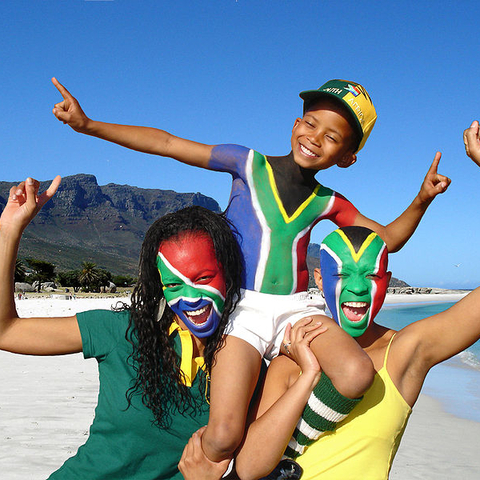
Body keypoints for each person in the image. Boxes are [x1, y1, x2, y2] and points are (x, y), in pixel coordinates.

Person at [51, 77, 451, 463]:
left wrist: (422, 198)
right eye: (311, 123)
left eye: (332, 137)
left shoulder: (329, 201)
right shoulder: (247, 164)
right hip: (242, 314)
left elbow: (384, 240)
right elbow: (169, 144)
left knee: (355, 373)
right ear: (296, 124)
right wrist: (88, 126)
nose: (315, 137)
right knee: (223, 436)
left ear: (346, 157)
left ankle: (285, 450)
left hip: (297, 311)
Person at [0, 176, 242, 479]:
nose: (190, 298)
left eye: (204, 278)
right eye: (173, 283)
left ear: (230, 272)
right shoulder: (121, 331)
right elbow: (6, 332)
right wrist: (9, 230)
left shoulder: (247, 359)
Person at [224, 220, 480, 480]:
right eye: (342, 274)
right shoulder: (291, 362)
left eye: (371, 276)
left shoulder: (402, 354)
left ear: (387, 281)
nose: (357, 287)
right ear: (320, 280)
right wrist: (310, 375)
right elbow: (249, 467)